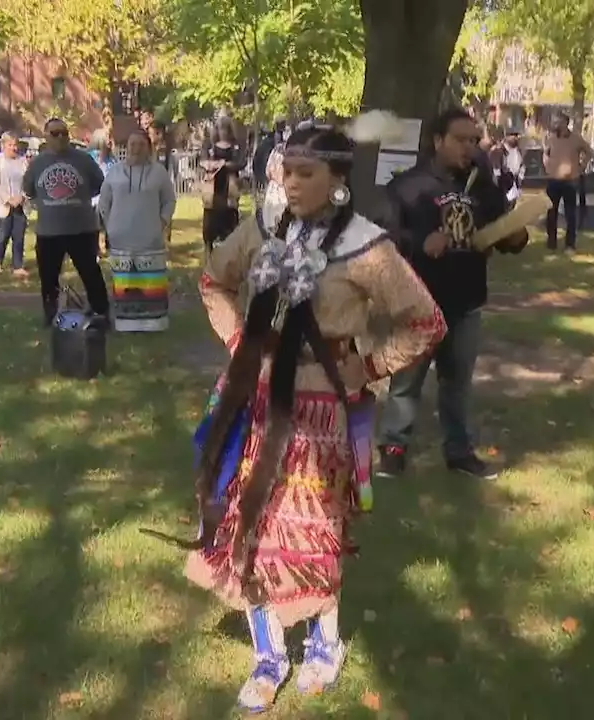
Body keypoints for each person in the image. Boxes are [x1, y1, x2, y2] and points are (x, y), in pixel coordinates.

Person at [172, 118, 445, 714]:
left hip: (322, 409)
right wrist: (239, 339)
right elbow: (214, 280)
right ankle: (268, 657)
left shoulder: (367, 248)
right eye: (286, 171)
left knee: (315, 526)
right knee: (247, 520)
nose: (291, 183)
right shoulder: (263, 228)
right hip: (257, 397)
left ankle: (324, 642)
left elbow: (425, 321)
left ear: (339, 179)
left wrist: (368, 366)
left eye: (306, 173)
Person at [378, 107, 509, 479]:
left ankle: (459, 452)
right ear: (438, 141)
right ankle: (393, 448)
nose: (469, 147)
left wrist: (514, 236)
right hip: (419, 300)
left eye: (474, 140)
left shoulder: (483, 187)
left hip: (466, 301)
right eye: (460, 140)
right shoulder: (409, 185)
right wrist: (420, 242)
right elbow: (385, 237)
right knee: (407, 382)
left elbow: (503, 231)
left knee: (457, 384)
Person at [22, 117, 110, 327]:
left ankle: (101, 312)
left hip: (82, 229)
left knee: (90, 272)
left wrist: (78, 199)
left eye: (64, 133)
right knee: (49, 277)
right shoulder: (37, 163)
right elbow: (29, 190)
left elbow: (99, 184)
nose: (61, 137)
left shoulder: (83, 159)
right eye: (55, 133)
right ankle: (50, 314)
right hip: (49, 232)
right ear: (46, 136)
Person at [98, 128, 177, 332]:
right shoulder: (114, 172)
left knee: (150, 282)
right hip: (121, 240)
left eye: (141, 144)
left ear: (148, 148)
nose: (136, 149)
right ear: (127, 147)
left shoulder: (158, 173)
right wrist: (110, 226)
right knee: (125, 283)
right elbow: (104, 202)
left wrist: (162, 222)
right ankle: (125, 323)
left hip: (150, 239)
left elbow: (169, 200)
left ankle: (153, 323)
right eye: (132, 144)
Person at [543, 113, 591, 252]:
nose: (556, 124)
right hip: (553, 180)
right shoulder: (551, 139)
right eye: (555, 121)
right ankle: (551, 242)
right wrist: (547, 165)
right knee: (551, 212)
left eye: (559, 122)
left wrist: (582, 166)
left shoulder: (576, 139)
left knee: (570, 213)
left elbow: (588, 152)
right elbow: (546, 153)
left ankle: (570, 244)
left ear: (565, 123)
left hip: (570, 181)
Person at [0, 132, 30, 277]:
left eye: (15, 144)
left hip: (20, 205)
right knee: (2, 235)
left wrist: (22, 197)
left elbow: (28, 182)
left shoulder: (22, 161)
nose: (14, 148)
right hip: (3, 204)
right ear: (3, 145)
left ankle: (18, 266)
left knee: (19, 236)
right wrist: (7, 198)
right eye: (10, 145)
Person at [200, 120, 244, 252]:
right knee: (210, 221)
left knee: (230, 219)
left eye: (226, 129)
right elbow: (202, 159)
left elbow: (241, 162)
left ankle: (230, 251)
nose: (223, 132)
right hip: (213, 187)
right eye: (220, 129)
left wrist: (225, 164)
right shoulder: (209, 145)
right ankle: (209, 251)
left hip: (229, 186)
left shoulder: (235, 146)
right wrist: (208, 164)